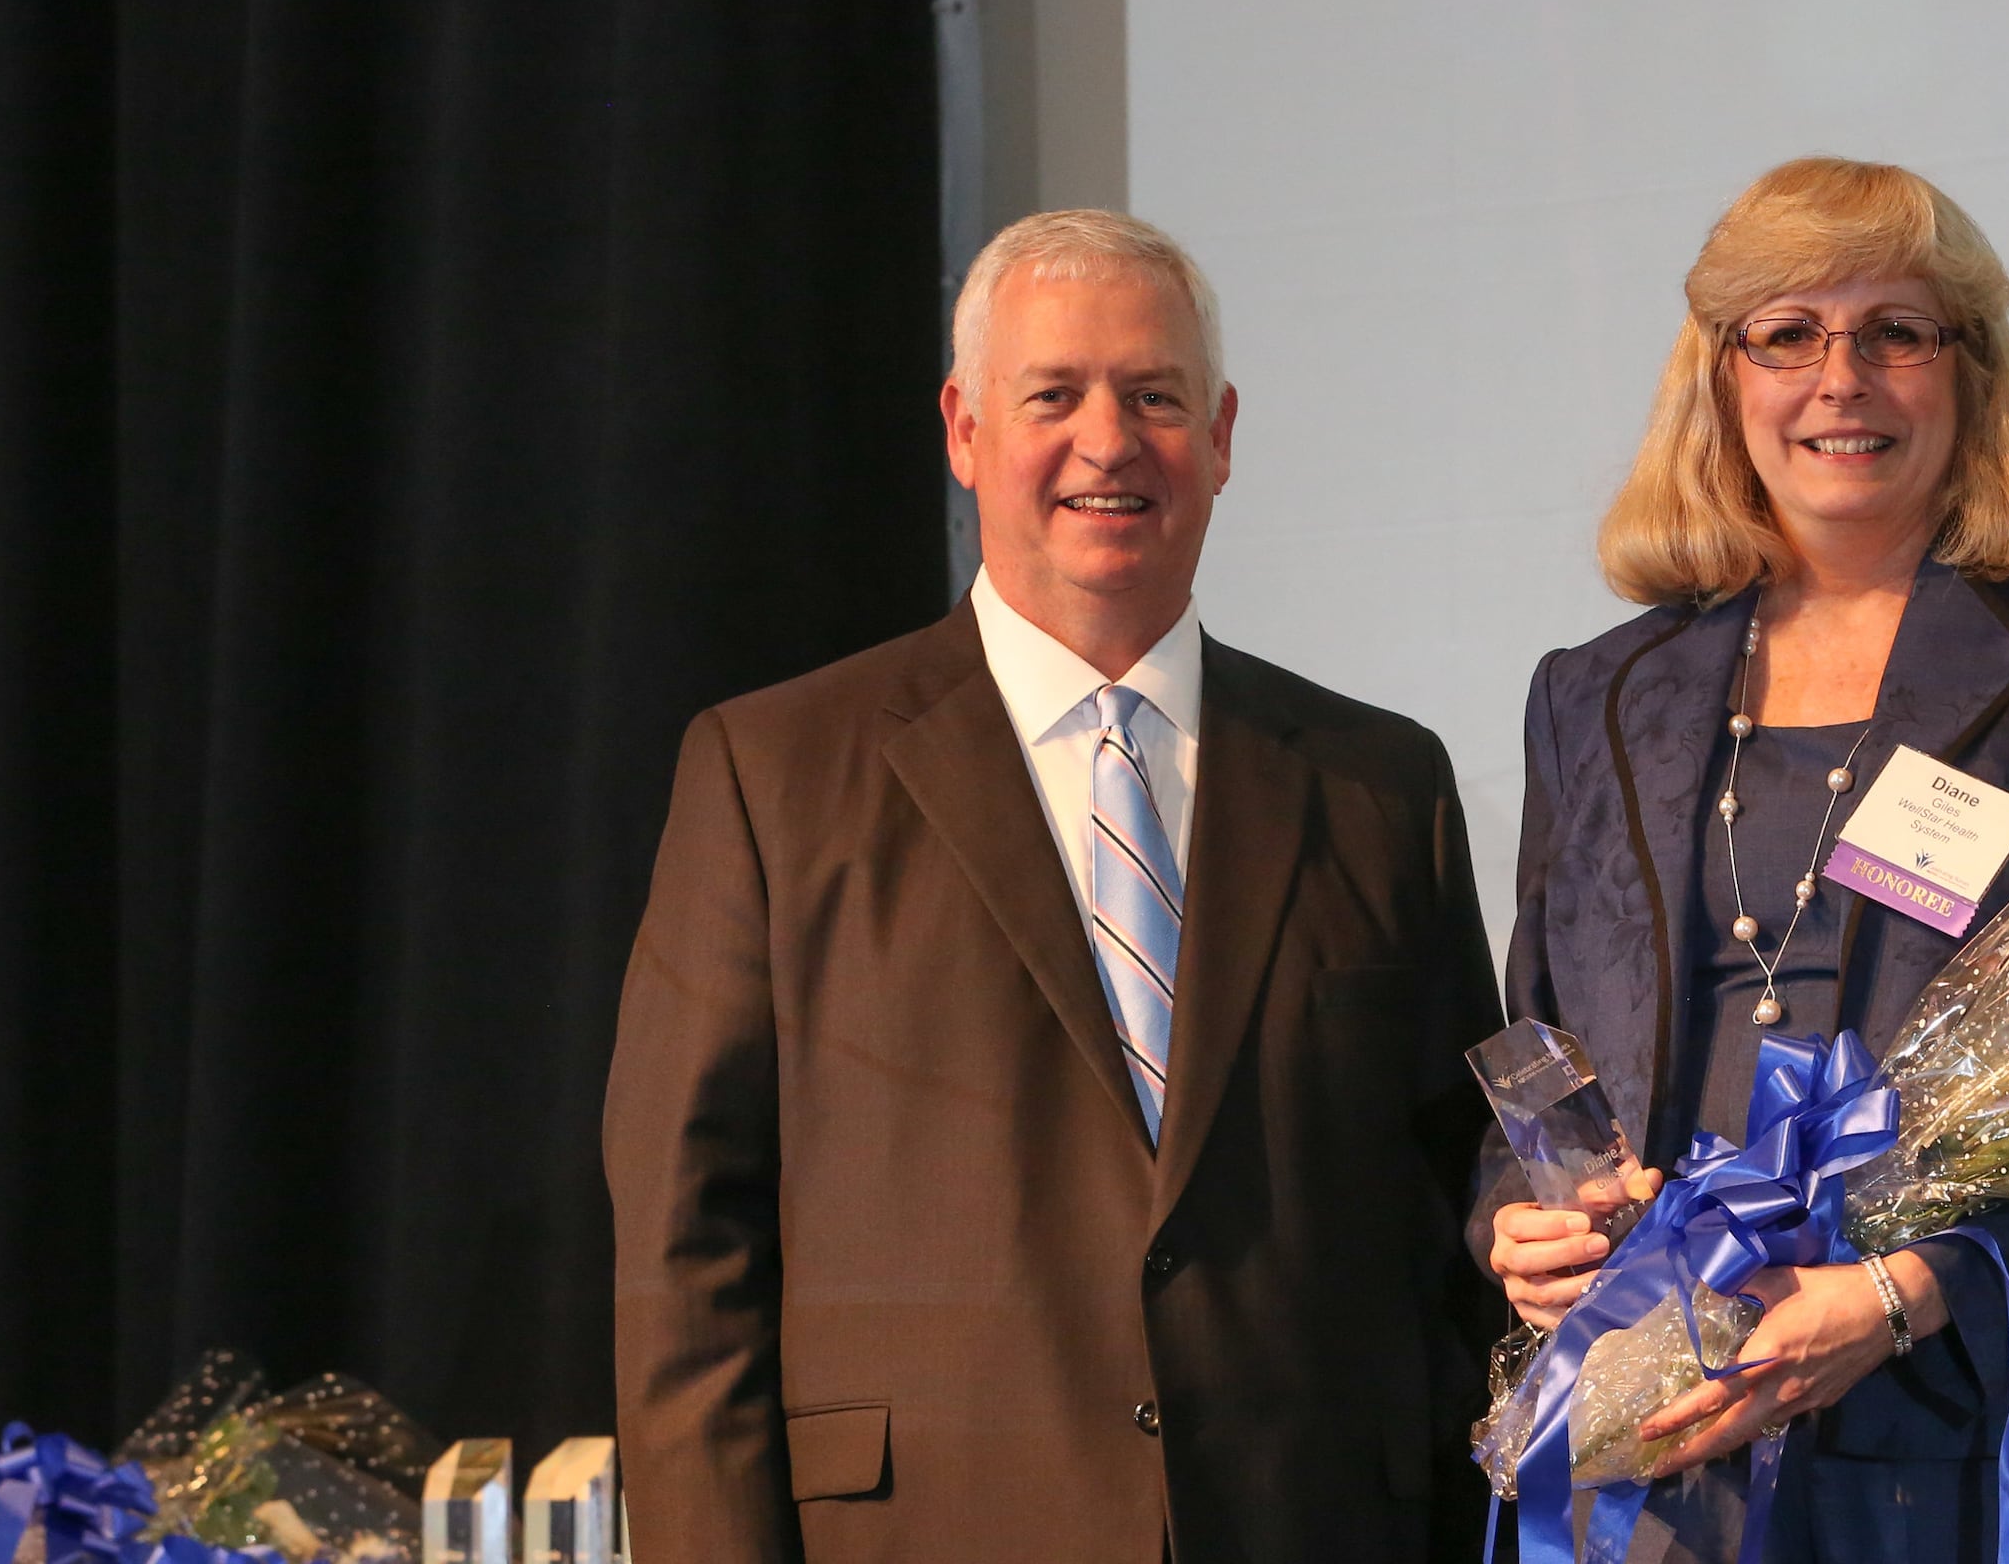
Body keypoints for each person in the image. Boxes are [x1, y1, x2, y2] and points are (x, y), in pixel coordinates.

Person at [607, 210, 1505, 1564]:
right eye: (1055, 395)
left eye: (1155, 395)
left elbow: (1453, 1215)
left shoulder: (1381, 786)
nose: (1108, 440)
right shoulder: (769, 774)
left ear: (1221, 437)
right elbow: (689, 1254)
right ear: (966, 431)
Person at [1479, 157, 2009, 1562]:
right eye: (1789, 334)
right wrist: (1520, 1219)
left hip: (1984, 1415)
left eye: (1898, 331)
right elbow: (1542, 1039)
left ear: (1971, 374)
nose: (1844, 377)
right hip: (1670, 1419)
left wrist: (1904, 1291)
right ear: (1722, 377)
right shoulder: (1596, 692)